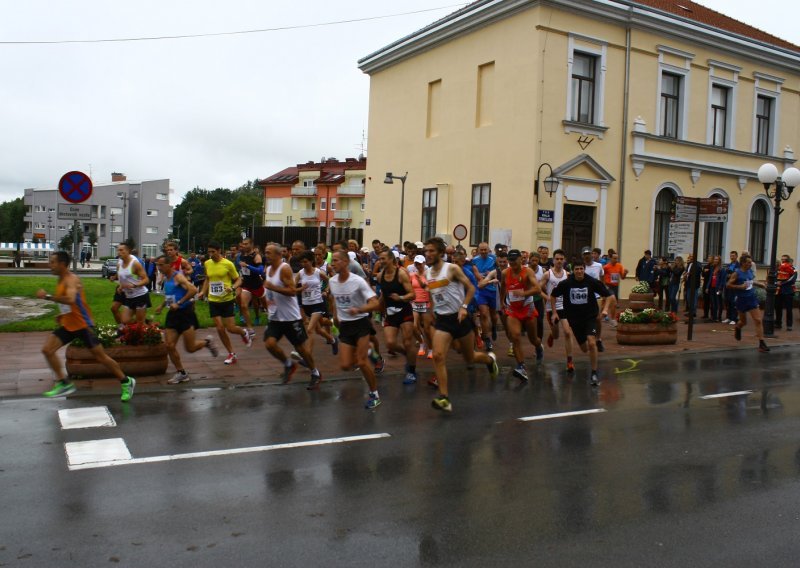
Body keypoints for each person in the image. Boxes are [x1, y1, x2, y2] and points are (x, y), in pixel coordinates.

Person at [38, 251, 136, 401]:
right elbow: (72, 304)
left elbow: (70, 298)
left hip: (83, 325)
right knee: (47, 350)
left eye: (52, 262)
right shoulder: (61, 279)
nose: (49, 265)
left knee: (101, 357)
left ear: (62, 264)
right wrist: (63, 315)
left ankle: (126, 381)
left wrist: (47, 296)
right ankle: (63, 383)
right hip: (69, 324)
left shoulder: (71, 279)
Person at [425, 237, 499, 413]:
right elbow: (432, 293)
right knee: (438, 355)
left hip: (460, 319)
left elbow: (472, 288)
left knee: (469, 358)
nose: (428, 254)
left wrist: (464, 307)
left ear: (441, 254)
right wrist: (432, 311)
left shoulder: (452, 269)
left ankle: (489, 360)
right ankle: (444, 398)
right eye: (426, 251)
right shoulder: (428, 273)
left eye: (431, 251)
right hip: (443, 320)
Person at [328, 250, 383, 408]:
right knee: (346, 365)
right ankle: (369, 350)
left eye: (336, 260)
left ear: (345, 262)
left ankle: (374, 394)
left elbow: (375, 303)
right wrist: (335, 316)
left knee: (362, 363)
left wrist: (360, 309)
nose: (333, 263)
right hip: (345, 325)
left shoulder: (357, 281)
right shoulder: (332, 281)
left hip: (360, 323)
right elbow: (334, 300)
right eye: (332, 261)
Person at [263, 244, 323, 389]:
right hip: (275, 316)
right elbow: (269, 292)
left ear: (278, 255)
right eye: (265, 252)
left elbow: (291, 291)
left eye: (269, 253)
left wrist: (272, 287)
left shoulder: (284, 268)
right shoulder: (269, 269)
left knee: (301, 349)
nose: (266, 255)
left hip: (291, 317)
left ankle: (315, 372)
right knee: (269, 344)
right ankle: (288, 364)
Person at [154, 255, 218, 384]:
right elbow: (170, 295)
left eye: (161, 265)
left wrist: (179, 303)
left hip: (185, 313)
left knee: (190, 348)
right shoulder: (166, 278)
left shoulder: (178, 276)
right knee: (169, 345)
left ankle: (207, 343)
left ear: (169, 265)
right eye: (157, 265)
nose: (159, 267)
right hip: (173, 315)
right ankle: (181, 373)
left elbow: (193, 290)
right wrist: (161, 306)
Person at [549, 260, 612, 385]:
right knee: (584, 349)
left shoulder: (591, 281)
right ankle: (591, 355)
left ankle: (594, 373)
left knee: (592, 342)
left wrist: (605, 310)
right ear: (573, 270)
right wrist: (555, 312)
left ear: (584, 269)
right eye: (577, 269)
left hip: (590, 317)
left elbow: (608, 295)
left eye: (581, 269)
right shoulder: (566, 283)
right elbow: (553, 296)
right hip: (575, 319)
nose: (579, 271)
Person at [198, 241, 252, 365]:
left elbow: (239, 280)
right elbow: (208, 279)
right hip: (213, 300)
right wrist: (202, 292)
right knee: (220, 328)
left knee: (231, 328)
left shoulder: (228, 264)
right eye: (209, 252)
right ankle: (231, 353)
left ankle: (244, 332)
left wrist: (232, 288)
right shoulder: (207, 263)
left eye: (213, 252)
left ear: (219, 251)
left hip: (226, 300)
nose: (211, 254)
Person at [499, 249, 544, 381]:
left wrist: (523, 294)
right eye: (510, 260)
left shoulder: (527, 272)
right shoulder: (505, 273)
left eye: (515, 259)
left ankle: (538, 346)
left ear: (521, 259)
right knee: (515, 336)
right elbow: (502, 287)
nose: (512, 262)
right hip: (513, 309)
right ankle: (521, 366)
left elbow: (537, 289)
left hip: (528, 308)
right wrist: (502, 301)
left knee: (533, 339)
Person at [377, 249, 419, 384]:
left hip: (404, 311)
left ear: (391, 259)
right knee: (390, 344)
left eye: (383, 259)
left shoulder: (401, 274)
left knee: (408, 342)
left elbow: (412, 294)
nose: (381, 261)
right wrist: (378, 308)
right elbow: (383, 295)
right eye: (380, 259)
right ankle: (408, 354)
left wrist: (400, 297)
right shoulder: (380, 276)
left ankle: (411, 371)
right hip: (390, 313)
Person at [295, 249, 338, 354]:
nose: (303, 264)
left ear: (311, 261)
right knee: (319, 329)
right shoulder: (300, 274)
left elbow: (330, 280)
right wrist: (300, 289)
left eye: (306, 262)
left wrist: (326, 290)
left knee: (310, 329)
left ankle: (307, 356)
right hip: (307, 305)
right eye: (302, 262)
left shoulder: (318, 272)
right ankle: (333, 340)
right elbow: (292, 288)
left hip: (318, 304)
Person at [540, 249, 575, 372]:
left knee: (567, 332)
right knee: (556, 335)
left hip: (564, 307)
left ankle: (569, 361)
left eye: (561, 259)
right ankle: (551, 335)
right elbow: (538, 289)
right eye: (557, 259)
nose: (559, 261)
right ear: (553, 260)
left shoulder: (567, 274)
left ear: (564, 260)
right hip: (551, 308)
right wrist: (547, 297)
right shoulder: (548, 274)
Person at [727, 255, 769, 353]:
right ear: (743, 263)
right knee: (743, 322)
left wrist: (759, 284)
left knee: (758, 320)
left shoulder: (750, 271)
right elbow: (728, 285)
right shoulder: (737, 273)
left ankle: (762, 343)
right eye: (749, 262)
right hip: (741, 299)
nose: (751, 264)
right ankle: (738, 327)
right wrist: (740, 287)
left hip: (751, 298)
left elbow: (751, 281)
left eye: (751, 262)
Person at [472, 242, 499, 350]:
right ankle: (487, 339)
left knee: (493, 315)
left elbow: (499, 271)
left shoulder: (494, 259)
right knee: (483, 314)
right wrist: (486, 279)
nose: (483, 252)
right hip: (481, 290)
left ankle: (494, 328)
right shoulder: (474, 261)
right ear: (478, 250)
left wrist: (493, 275)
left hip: (493, 291)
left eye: (485, 250)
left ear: (488, 250)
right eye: (481, 250)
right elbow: (477, 275)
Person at [237, 238, 265, 339]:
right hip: (247, 285)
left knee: (266, 307)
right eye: (243, 244)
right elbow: (242, 270)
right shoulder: (241, 256)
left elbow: (260, 271)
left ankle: (272, 324)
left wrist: (247, 265)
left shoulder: (256, 256)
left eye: (246, 244)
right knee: (244, 305)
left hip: (257, 285)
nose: (244, 246)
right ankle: (250, 329)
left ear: (251, 245)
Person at [115, 243, 151, 324]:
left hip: (140, 295)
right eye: (118, 250)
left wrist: (134, 285)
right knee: (124, 321)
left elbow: (146, 280)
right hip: (129, 297)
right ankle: (147, 325)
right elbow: (123, 278)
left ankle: (148, 329)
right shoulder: (119, 264)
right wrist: (120, 287)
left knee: (140, 323)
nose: (119, 252)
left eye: (121, 250)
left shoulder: (135, 264)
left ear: (128, 251)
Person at [582, 246, 608, 352]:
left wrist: (603, 292)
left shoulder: (598, 266)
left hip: (596, 296)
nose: (588, 256)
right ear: (582, 255)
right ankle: (587, 338)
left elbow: (602, 278)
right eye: (585, 254)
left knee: (597, 318)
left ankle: (598, 339)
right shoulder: (581, 266)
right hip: (583, 296)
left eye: (589, 254)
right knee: (584, 319)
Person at [409, 254, 434, 360]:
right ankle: (421, 343)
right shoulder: (412, 275)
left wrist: (433, 306)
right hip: (415, 303)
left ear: (424, 263)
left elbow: (432, 289)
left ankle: (431, 349)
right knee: (414, 327)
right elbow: (409, 287)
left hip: (426, 303)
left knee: (427, 329)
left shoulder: (429, 275)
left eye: (420, 263)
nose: (418, 265)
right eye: (416, 263)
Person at [775, 255, 796, 331]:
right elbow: (775, 277)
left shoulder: (793, 270)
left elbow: (792, 280)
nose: (783, 261)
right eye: (782, 260)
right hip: (779, 291)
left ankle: (789, 325)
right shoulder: (779, 268)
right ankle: (778, 323)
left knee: (789, 309)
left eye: (784, 260)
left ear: (788, 261)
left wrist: (782, 283)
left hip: (788, 291)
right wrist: (776, 283)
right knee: (777, 307)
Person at [722, 251, 740, 325]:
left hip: (734, 286)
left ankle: (734, 318)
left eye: (733, 256)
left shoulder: (738, 265)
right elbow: (726, 274)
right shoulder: (729, 265)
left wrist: (730, 275)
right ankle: (728, 317)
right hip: (727, 285)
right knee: (728, 301)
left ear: (736, 256)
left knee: (733, 302)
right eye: (731, 256)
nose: (732, 257)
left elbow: (735, 275)